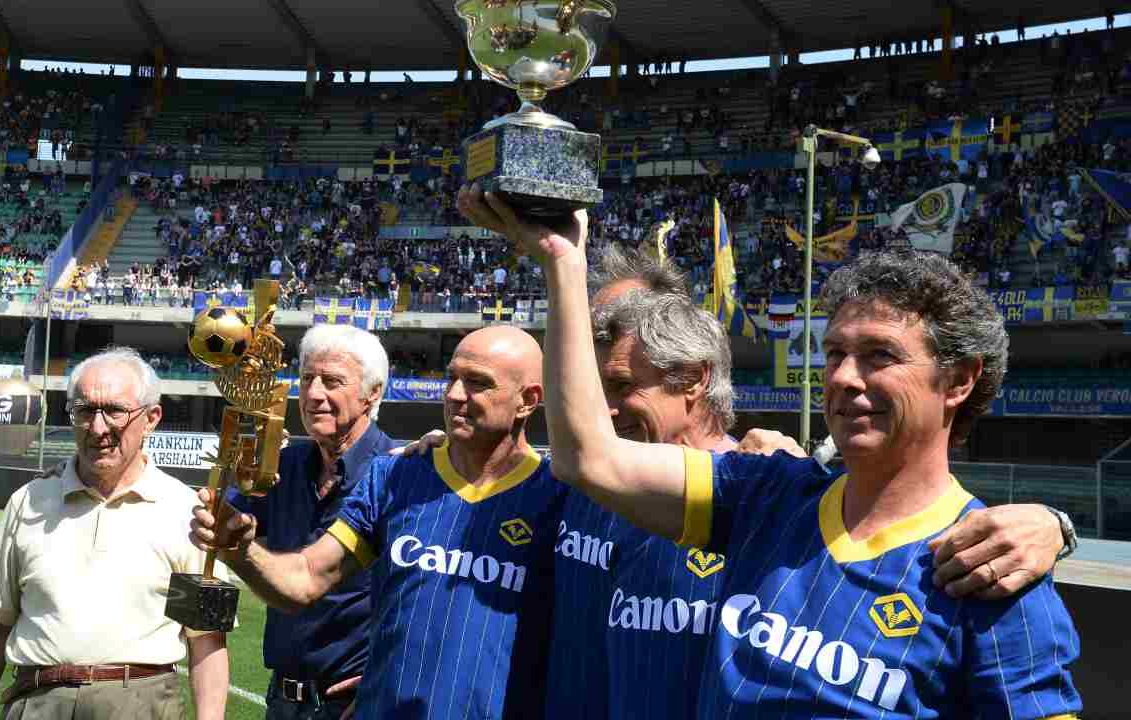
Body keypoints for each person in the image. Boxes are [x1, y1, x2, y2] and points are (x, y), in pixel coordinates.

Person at [458, 188, 1081, 718]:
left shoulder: (989, 572)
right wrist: (563, 261)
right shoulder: (769, 493)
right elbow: (589, 458)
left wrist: (1055, 525)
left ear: (961, 380)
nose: (844, 377)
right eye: (835, 353)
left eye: (880, 356)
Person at [193, 325, 563, 720]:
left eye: (477, 383)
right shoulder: (394, 476)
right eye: (452, 378)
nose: (455, 395)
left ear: (528, 401)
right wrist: (238, 547)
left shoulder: (559, 498)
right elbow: (305, 579)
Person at [0, 348, 229, 720]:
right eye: (85, 411)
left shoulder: (189, 511)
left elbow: (208, 641)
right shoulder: (27, 501)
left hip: (143, 706)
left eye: (115, 411)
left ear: (151, 418)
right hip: (37, 702)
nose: (99, 428)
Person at [224, 325, 397, 720]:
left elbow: (431, 597)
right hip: (281, 701)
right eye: (307, 380)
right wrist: (234, 472)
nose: (314, 394)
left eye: (332, 382)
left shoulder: (401, 472)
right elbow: (221, 526)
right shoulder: (282, 467)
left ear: (372, 393)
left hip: (357, 705)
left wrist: (386, 674)